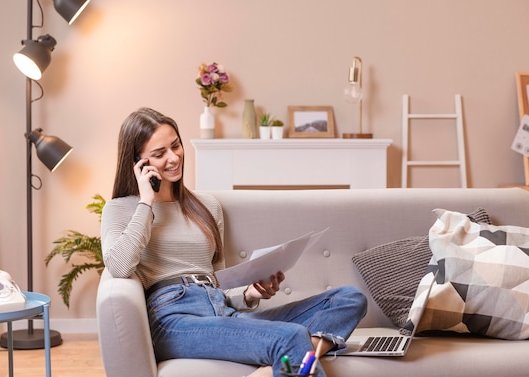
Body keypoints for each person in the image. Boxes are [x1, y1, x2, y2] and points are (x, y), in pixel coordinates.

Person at [101, 107, 367, 377]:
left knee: (348, 299)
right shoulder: (121, 209)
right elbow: (119, 266)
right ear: (138, 163)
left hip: (221, 311)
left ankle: (275, 366)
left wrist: (250, 294)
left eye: (176, 145)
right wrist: (146, 202)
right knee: (289, 337)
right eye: (159, 154)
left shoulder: (205, 206)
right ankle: (284, 358)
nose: (173, 158)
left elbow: (218, 282)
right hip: (173, 319)